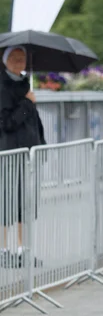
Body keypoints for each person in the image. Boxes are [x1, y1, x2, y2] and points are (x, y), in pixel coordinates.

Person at [0, 46, 46, 268]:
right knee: (6, 200)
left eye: (22, 58)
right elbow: (6, 123)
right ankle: (3, 249)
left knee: (24, 202)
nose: (19, 62)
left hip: (28, 153)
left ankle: (21, 249)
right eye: (14, 58)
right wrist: (28, 103)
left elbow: (33, 123)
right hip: (8, 152)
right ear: (5, 60)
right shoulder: (2, 86)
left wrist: (41, 146)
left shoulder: (25, 83)